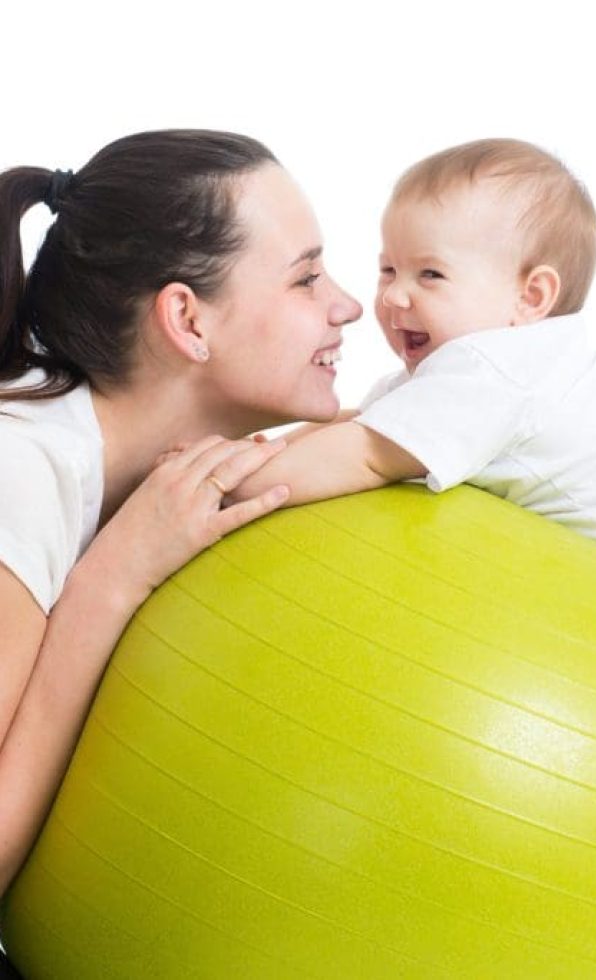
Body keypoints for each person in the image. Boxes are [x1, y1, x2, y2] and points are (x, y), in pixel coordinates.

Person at [0, 129, 362, 900]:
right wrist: (107, 586)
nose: (349, 305)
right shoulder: (19, 474)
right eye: (306, 279)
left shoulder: (134, 469)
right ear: (189, 322)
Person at [233, 137, 596, 586]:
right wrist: (241, 455)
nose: (393, 295)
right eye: (388, 269)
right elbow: (362, 425)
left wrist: (225, 488)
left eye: (430, 274)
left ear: (532, 296)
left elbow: (364, 455)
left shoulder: (493, 373)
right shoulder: (486, 373)